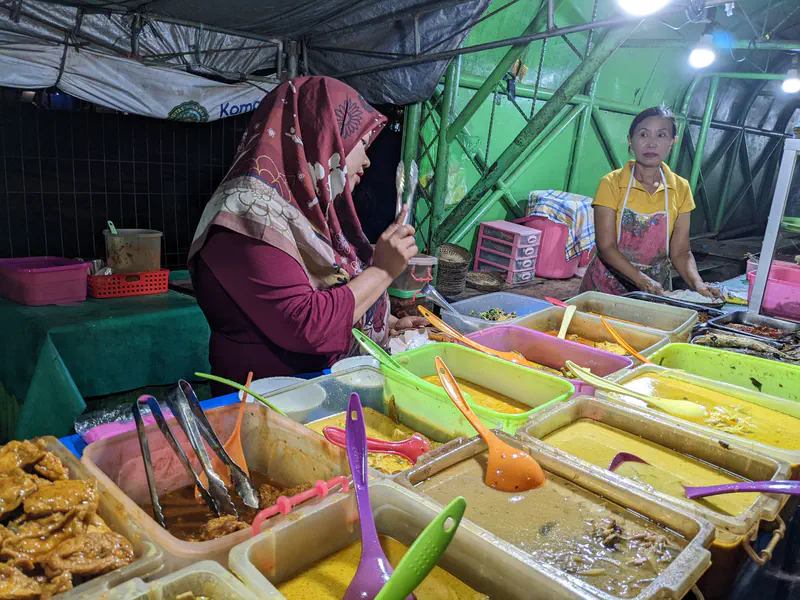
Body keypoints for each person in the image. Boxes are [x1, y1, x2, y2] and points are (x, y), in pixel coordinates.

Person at [189, 77, 426, 394]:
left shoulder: (303, 209)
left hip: (317, 392)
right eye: (362, 143)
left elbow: (330, 292)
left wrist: (390, 328)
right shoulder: (249, 213)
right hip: (268, 404)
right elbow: (306, 326)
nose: (367, 160)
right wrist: (382, 271)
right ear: (326, 135)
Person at [580, 106, 722, 299]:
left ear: (672, 142)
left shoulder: (680, 188)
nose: (652, 144)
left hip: (656, 289)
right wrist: (640, 279)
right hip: (606, 286)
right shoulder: (611, 184)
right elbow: (606, 247)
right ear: (631, 140)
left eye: (661, 135)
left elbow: (680, 251)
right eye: (643, 134)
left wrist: (698, 283)